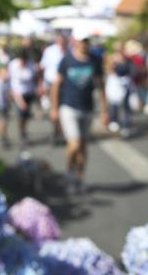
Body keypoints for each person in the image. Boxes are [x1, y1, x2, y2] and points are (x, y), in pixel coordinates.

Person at [50, 35, 107, 194]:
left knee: (83, 147)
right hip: (68, 106)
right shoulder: (67, 59)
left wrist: (105, 110)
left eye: (86, 41)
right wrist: (54, 108)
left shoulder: (94, 60)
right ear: (75, 42)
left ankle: (80, 178)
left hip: (87, 107)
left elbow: (101, 85)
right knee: (74, 144)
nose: (84, 44)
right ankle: (69, 174)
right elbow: (56, 85)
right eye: (82, 40)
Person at [39, 30, 69, 144]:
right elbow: (43, 67)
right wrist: (41, 84)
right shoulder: (50, 51)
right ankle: (56, 131)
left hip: (66, 85)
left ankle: (60, 131)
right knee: (54, 108)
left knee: (64, 109)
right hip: (52, 84)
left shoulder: (69, 51)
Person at [8, 48, 38, 145]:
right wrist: (18, 98)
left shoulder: (31, 65)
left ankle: (24, 130)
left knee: (26, 115)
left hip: (28, 92)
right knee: (21, 113)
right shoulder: (13, 65)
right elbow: (10, 81)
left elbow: (35, 77)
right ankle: (22, 132)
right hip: (17, 93)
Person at [105, 47, 133, 137]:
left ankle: (126, 126)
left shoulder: (127, 61)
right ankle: (114, 121)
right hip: (115, 85)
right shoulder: (112, 59)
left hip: (125, 85)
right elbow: (109, 70)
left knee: (125, 106)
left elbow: (131, 72)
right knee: (114, 104)